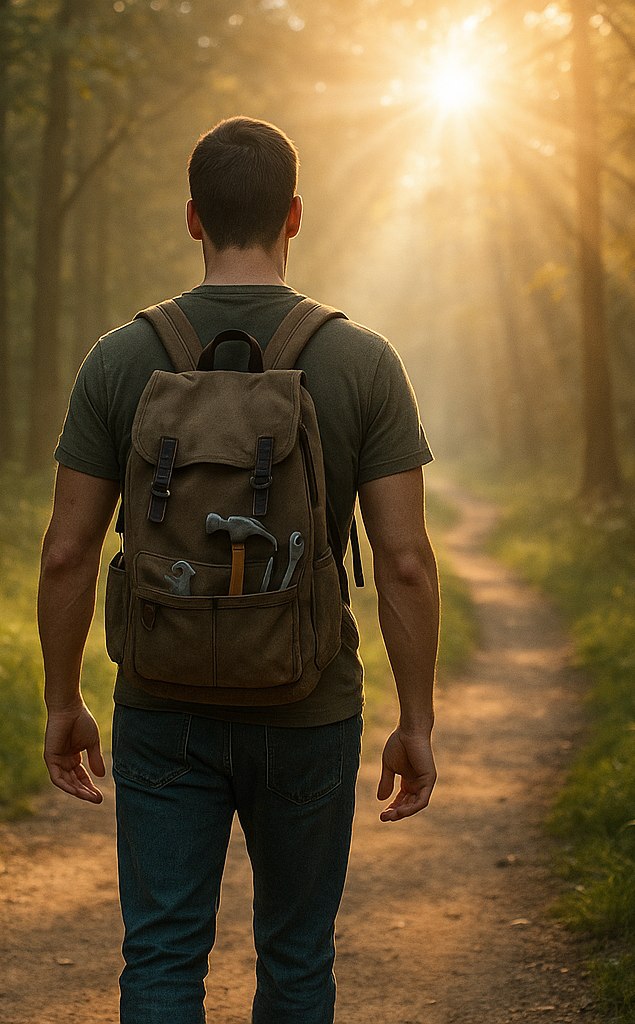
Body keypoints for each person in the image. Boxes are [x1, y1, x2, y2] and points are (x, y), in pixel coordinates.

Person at [38, 116, 440, 1024]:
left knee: (162, 956)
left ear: (192, 218)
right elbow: (405, 562)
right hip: (308, 707)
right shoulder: (360, 361)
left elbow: (66, 551)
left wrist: (64, 702)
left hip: (162, 705)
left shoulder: (120, 358)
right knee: (296, 961)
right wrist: (416, 721)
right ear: (294, 216)